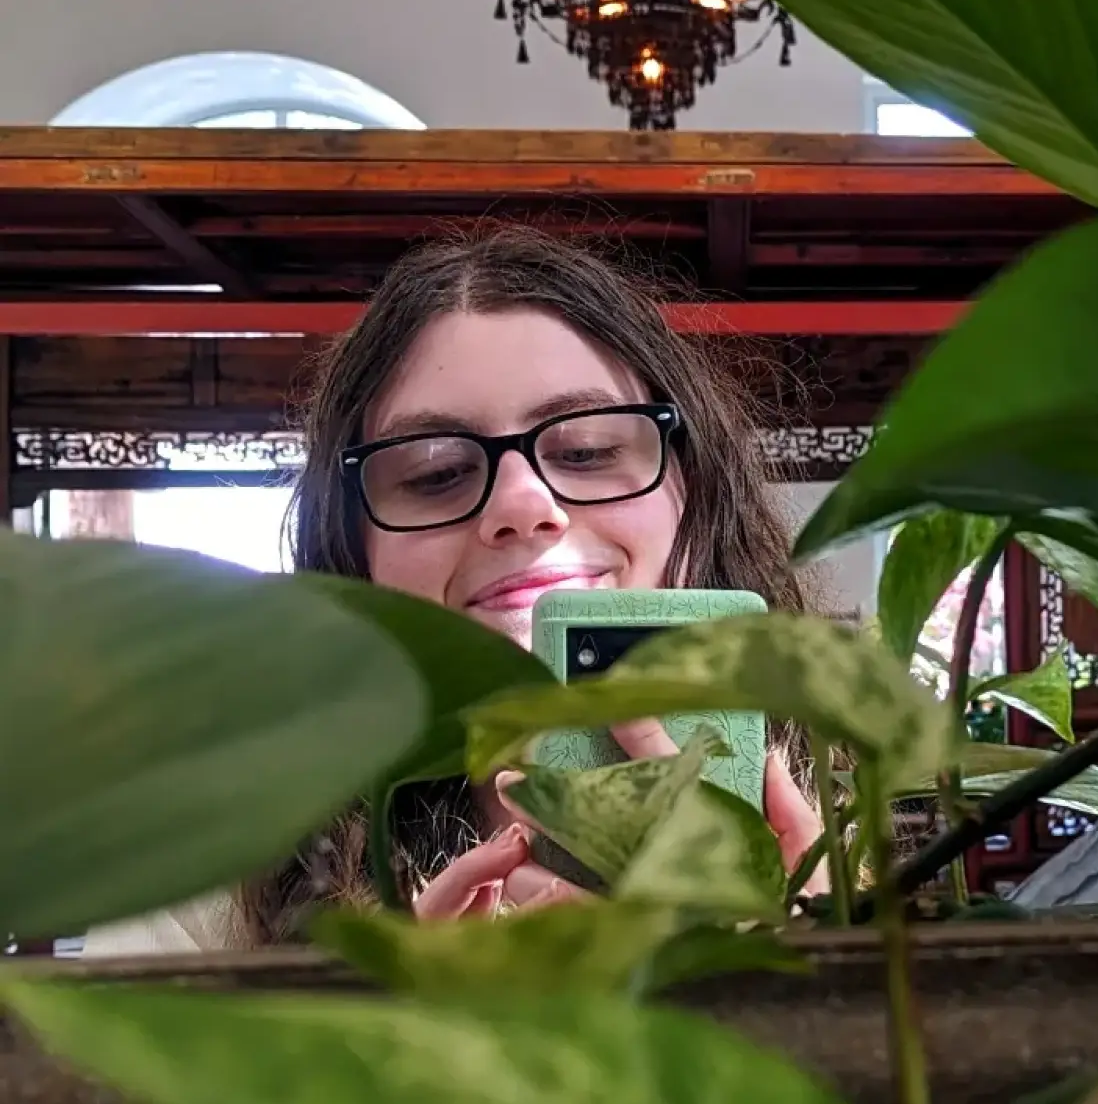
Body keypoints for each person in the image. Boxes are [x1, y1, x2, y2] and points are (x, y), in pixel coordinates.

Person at [83, 228, 822, 954]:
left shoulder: (871, 830)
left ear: (694, 490)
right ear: (352, 545)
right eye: (435, 471)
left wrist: (803, 972)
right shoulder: (209, 861)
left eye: (590, 450)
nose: (523, 504)